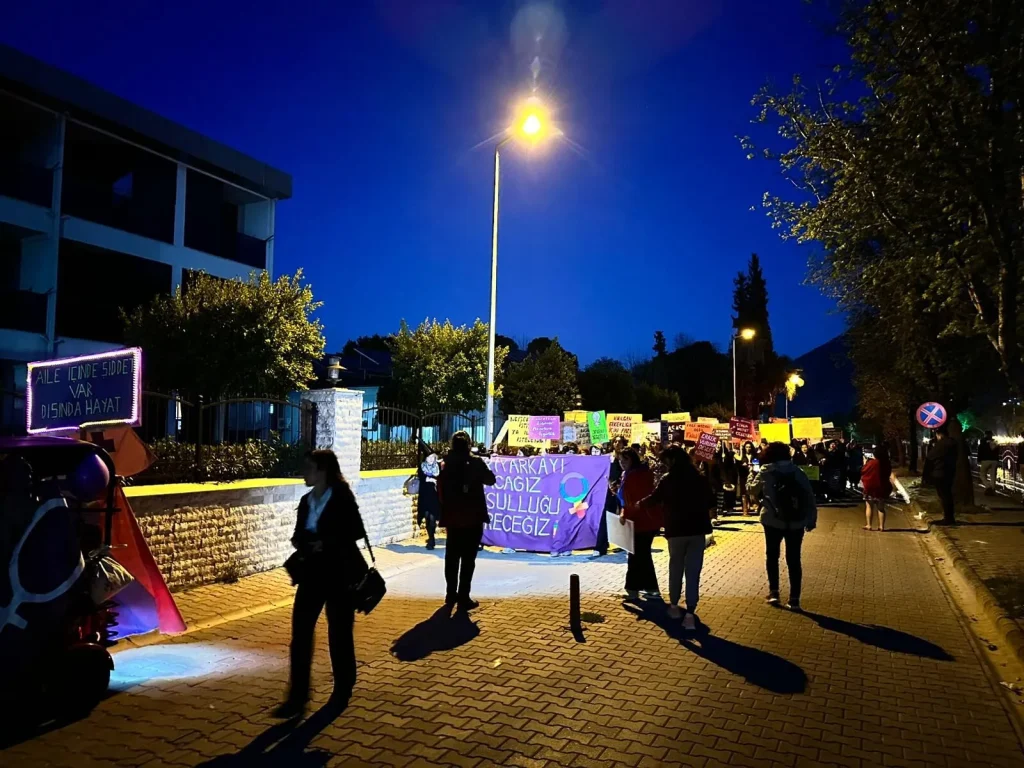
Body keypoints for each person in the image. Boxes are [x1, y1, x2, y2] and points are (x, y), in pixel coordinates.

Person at [277, 450, 368, 718]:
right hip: (312, 574)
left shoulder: (341, 497)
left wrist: (325, 542)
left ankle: (343, 686)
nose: (304, 473)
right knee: (301, 633)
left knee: (339, 632)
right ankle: (298, 696)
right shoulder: (306, 501)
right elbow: (297, 534)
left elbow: (356, 531)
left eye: (309, 468)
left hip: (339, 574)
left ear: (323, 471)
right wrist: (303, 542)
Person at [640, 446, 714, 629]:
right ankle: (690, 612)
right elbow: (711, 503)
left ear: (672, 461)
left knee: (676, 569)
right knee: (693, 572)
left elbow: (654, 498)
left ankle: (674, 606)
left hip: (676, 530)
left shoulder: (668, 479)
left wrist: (639, 504)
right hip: (697, 530)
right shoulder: (700, 479)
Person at [748, 442, 817, 611]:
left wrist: (751, 473)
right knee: (794, 559)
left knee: (772, 556)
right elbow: (809, 496)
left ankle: (774, 592)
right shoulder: (797, 472)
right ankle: (794, 599)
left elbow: (751, 490)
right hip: (796, 521)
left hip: (772, 520)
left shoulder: (765, 472)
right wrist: (811, 519)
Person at [438, 431, 496, 610]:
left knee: (452, 557)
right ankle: (463, 596)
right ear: (469, 445)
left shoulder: (445, 462)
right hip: (472, 517)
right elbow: (490, 480)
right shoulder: (476, 462)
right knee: (468, 559)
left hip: (453, 516)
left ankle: (450, 594)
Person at [617, 448, 661, 599]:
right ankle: (645, 588)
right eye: (620, 460)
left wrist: (626, 513)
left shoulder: (635, 476)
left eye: (625, 460)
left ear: (633, 460)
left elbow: (634, 501)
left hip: (641, 521)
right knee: (640, 555)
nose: (622, 463)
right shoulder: (630, 474)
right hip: (643, 521)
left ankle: (636, 589)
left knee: (637, 556)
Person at [595, 436, 629, 557]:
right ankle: (601, 546)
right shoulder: (608, 457)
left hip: (623, 490)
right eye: (615, 441)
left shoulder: (626, 457)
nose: (617, 443)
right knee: (606, 516)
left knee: (625, 515)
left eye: (620, 441)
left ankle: (626, 544)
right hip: (610, 490)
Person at [924, 425, 958, 524]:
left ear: (939, 435)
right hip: (950, 472)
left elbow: (930, 457)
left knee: (944, 496)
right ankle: (949, 517)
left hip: (939, 472)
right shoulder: (953, 444)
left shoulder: (941, 444)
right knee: (947, 495)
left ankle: (948, 518)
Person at [861, 444, 894, 531]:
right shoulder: (886, 463)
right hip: (882, 488)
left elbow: (863, 471)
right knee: (881, 508)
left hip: (870, 489)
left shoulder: (872, 463)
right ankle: (881, 526)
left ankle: (869, 525)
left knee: (869, 506)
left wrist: (865, 463)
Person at [417, 453, 441, 549]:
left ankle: (431, 538)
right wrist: (431, 479)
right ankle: (431, 538)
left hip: (435, 496)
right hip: (425, 496)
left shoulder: (438, 467)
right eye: (429, 457)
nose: (431, 459)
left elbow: (440, 479)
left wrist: (431, 479)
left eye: (433, 457)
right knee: (427, 516)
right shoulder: (422, 466)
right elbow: (422, 478)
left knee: (432, 518)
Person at [738, 441, 757, 516]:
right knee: (744, 492)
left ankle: (755, 505)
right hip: (744, 475)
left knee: (752, 490)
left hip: (752, 475)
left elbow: (757, 465)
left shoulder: (755, 456)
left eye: (749, 447)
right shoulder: (742, 456)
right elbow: (738, 465)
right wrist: (743, 466)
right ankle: (745, 510)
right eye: (746, 447)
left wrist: (753, 468)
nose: (748, 449)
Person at [978, 431, 998, 496]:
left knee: (982, 474)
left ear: (985, 435)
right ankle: (993, 489)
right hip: (994, 460)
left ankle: (988, 486)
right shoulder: (995, 442)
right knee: (993, 476)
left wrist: (979, 459)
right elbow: (998, 451)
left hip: (985, 459)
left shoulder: (982, 442)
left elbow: (980, 450)